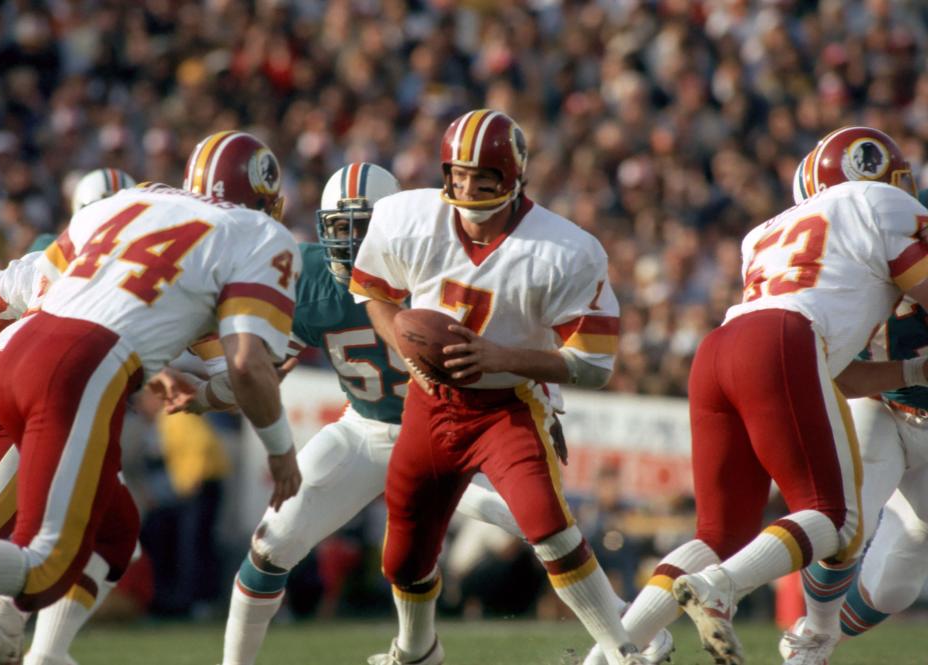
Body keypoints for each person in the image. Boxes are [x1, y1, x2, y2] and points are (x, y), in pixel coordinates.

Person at [153, 162, 525, 665]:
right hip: (365, 430)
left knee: (537, 522)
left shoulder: (441, 271)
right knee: (270, 544)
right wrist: (203, 395)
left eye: (365, 229)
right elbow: (255, 371)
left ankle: (625, 632)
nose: (351, 243)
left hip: (448, 435)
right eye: (340, 228)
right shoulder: (309, 280)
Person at [0, 130, 303, 662]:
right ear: (264, 201)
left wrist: (163, 373)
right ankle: (10, 626)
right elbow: (245, 367)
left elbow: (14, 289)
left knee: (115, 530)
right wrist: (280, 450)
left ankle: (20, 638)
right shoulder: (255, 234)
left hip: (14, 358)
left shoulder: (133, 201)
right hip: (74, 374)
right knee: (46, 559)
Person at [614, 126, 928, 665]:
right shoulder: (885, 209)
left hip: (728, 347)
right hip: (837, 380)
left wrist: (916, 366)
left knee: (728, 532)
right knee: (835, 520)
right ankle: (792, 629)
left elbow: (836, 365)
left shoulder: (766, 234)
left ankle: (613, 650)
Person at [348, 109, 648, 665]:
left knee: (547, 524)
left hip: (508, 405)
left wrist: (502, 357)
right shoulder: (407, 216)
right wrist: (403, 347)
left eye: (482, 176)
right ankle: (416, 651)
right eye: (458, 174)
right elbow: (374, 291)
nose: (466, 187)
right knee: (403, 557)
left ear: (513, 178)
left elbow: (595, 365)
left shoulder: (564, 249)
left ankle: (624, 650)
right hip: (431, 402)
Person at [0, 168, 140, 665]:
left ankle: (22, 637)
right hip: (33, 398)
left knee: (115, 532)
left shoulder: (53, 256)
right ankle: (19, 633)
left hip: (37, 394)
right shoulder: (148, 271)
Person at [771, 135, 928, 664]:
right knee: (844, 523)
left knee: (895, 587)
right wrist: (910, 369)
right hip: (881, 404)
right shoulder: (825, 270)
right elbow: (834, 376)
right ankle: (810, 640)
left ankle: (820, 631)